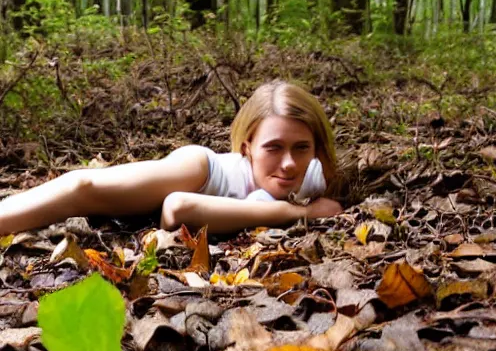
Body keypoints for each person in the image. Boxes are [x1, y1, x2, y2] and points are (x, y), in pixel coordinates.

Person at [0, 81, 344, 236]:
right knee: (84, 187)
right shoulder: (210, 170)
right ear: (247, 146)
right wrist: (300, 213)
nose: (288, 164)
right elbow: (176, 210)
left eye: (301, 148)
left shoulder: (316, 173)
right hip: (200, 172)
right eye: (273, 148)